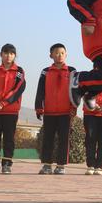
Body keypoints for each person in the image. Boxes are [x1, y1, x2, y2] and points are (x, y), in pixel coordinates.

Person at [35, 43, 76, 175]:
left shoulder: (72, 71)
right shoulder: (45, 72)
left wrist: (74, 107)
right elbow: (40, 90)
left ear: (66, 54)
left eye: (62, 53)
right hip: (50, 112)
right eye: (56, 53)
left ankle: (61, 165)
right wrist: (38, 108)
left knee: (64, 140)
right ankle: (47, 165)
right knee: (48, 139)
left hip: (65, 112)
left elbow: (76, 91)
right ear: (51, 55)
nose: (59, 55)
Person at [0, 44, 26, 174]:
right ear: (1, 54)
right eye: (6, 53)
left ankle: (7, 164)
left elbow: (17, 90)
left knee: (9, 139)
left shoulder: (19, 71)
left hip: (10, 111)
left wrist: (3, 103)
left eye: (11, 53)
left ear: (15, 55)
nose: (8, 56)